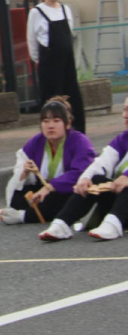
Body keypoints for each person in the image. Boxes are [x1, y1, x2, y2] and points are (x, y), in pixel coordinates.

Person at [38, 95, 128, 242]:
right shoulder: (123, 139)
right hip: (122, 202)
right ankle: (62, 224)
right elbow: (103, 161)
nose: (125, 115)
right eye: (124, 110)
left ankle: (113, 224)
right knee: (95, 179)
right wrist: (85, 177)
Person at [0, 96, 96, 226]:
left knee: (62, 199)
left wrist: (50, 187)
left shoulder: (80, 141)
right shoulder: (37, 141)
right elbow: (20, 168)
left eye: (56, 121)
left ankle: (25, 216)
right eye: (45, 121)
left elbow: (80, 172)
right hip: (44, 187)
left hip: (65, 189)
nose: (50, 126)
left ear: (67, 124)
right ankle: (34, 211)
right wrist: (25, 172)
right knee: (17, 199)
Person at [27, 0, 86, 132]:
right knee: (51, 95)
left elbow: (70, 30)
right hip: (49, 61)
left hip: (67, 59)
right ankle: (52, 129)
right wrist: (38, 58)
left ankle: (76, 129)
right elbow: (31, 38)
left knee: (72, 93)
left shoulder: (65, 9)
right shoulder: (36, 12)